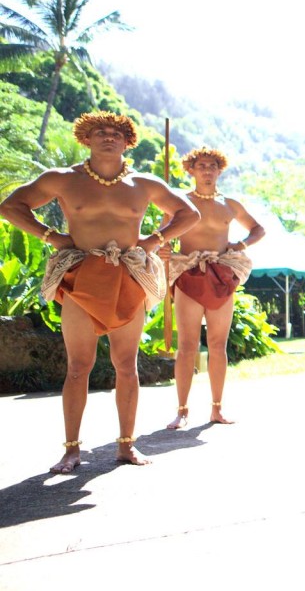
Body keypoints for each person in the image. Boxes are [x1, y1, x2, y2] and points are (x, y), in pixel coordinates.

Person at [0, 111, 200, 473]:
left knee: (127, 365)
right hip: (81, 276)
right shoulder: (62, 179)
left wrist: (154, 240)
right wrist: (50, 235)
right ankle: (71, 450)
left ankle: (126, 446)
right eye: (100, 132)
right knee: (79, 366)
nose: (108, 137)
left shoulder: (145, 184)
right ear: (85, 139)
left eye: (116, 133)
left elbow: (188, 214)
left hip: (127, 275)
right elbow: (11, 206)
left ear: (128, 142)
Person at [163, 147, 265, 430]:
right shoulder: (179, 202)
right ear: (191, 170)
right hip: (188, 275)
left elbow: (258, 229)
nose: (207, 170)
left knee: (218, 345)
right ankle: (182, 410)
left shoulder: (229, 204)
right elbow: (163, 234)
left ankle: (217, 409)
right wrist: (164, 247)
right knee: (186, 346)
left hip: (220, 275)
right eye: (201, 165)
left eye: (212, 166)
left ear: (219, 170)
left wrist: (240, 244)